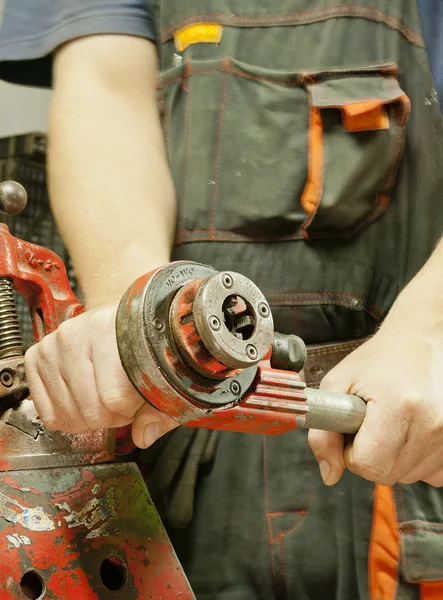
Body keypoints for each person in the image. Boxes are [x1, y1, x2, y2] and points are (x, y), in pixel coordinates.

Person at [1, 1, 443, 598]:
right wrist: (137, 327)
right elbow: (107, 89)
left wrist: (429, 329)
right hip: (179, 449)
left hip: (397, 432)